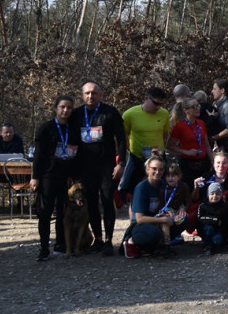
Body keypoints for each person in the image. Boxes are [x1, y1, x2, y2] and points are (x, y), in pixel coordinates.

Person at [69, 81, 125, 256]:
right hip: (85, 167)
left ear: (100, 94)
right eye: (87, 93)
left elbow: (121, 139)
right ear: (82, 95)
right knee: (91, 203)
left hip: (106, 166)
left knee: (108, 201)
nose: (90, 96)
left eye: (94, 93)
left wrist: (121, 163)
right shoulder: (76, 114)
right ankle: (98, 239)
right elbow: (71, 140)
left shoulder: (110, 112)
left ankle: (109, 240)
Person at [31, 95, 80, 261]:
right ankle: (44, 248)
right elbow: (38, 155)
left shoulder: (73, 129)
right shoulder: (46, 128)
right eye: (62, 107)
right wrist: (35, 177)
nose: (65, 110)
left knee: (63, 212)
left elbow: (76, 154)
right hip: (48, 176)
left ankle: (60, 244)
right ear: (56, 108)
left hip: (66, 178)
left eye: (69, 108)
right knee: (45, 213)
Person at [119, 87, 170, 203]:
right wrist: (129, 149)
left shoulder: (164, 114)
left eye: (160, 104)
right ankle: (134, 219)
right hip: (137, 157)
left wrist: (156, 149)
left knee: (161, 190)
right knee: (131, 191)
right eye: (155, 103)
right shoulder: (130, 114)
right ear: (146, 99)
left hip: (158, 158)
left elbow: (164, 134)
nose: (158, 107)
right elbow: (123, 136)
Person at [122, 155, 174, 259]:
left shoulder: (162, 184)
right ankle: (132, 242)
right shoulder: (141, 188)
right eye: (154, 169)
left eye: (161, 169)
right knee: (154, 233)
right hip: (141, 224)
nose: (157, 172)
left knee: (183, 219)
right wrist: (163, 220)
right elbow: (140, 219)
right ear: (147, 169)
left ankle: (162, 245)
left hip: (157, 218)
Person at [167, 97, 214, 189]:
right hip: (188, 165)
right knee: (190, 191)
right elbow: (169, 146)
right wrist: (186, 152)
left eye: (198, 105)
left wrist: (213, 162)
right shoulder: (179, 126)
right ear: (186, 111)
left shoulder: (201, 123)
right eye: (194, 106)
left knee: (204, 191)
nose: (198, 108)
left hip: (204, 164)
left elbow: (207, 146)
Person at [196, 182, 228, 255]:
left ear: (221, 195)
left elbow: (227, 220)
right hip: (207, 230)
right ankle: (208, 246)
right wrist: (215, 220)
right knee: (208, 229)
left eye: (217, 194)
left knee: (217, 240)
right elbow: (200, 218)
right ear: (208, 195)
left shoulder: (225, 206)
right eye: (212, 194)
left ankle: (216, 245)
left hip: (219, 230)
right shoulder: (202, 206)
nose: (214, 196)